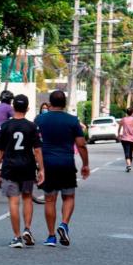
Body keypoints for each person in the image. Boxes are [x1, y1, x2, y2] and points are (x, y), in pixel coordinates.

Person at [34, 91, 89, 247]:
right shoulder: (72, 120)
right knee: (69, 197)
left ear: (49, 103)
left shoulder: (39, 119)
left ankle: (51, 236)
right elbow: (81, 145)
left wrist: (36, 165)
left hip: (47, 164)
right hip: (66, 163)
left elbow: (34, 143)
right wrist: (85, 164)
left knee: (50, 200)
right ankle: (63, 224)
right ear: (64, 104)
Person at [0, 95, 44, 248]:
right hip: (27, 167)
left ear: (13, 107)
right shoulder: (32, 127)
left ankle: (17, 237)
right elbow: (37, 150)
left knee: (14, 202)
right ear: (27, 109)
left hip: (10, 167)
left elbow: (0, 150)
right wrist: (41, 169)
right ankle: (27, 229)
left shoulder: (5, 126)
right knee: (27, 198)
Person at [117, 107, 133, 172]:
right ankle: (129, 165)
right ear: (132, 112)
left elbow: (119, 128)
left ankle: (128, 165)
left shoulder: (123, 119)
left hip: (124, 139)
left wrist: (118, 134)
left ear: (126, 113)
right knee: (130, 152)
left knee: (126, 152)